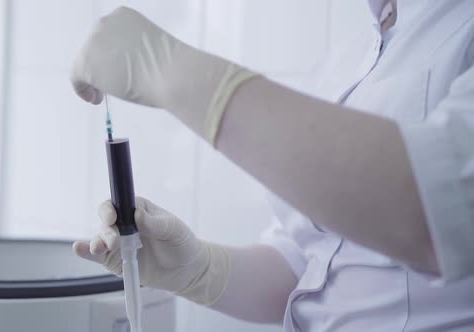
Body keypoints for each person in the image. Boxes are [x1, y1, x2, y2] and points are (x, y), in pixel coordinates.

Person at [70, 1, 474, 330]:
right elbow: (309, 261)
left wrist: (166, 68)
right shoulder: (351, 55)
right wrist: (199, 269)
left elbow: (439, 212)